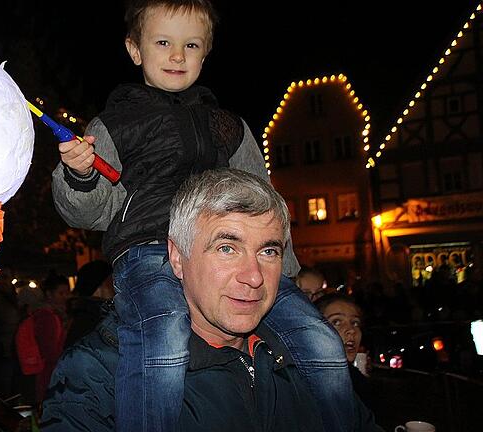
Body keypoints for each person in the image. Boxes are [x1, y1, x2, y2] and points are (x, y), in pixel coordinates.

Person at [51, 1, 352, 430]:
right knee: (165, 329)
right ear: (134, 49)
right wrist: (79, 175)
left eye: (191, 44)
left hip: (231, 253)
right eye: (163, 42)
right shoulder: (114, 125)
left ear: (205, 53)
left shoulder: (229, 126)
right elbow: (90, 212)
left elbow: (266, 204)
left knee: (321, 338)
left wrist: (284, 268)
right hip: (148, 249)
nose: (177, 55)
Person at [42, 169, 379, 431]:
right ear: (177, 257)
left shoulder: (309, 359)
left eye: (268, 251)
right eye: (227, 248)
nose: (254, 275)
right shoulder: (97, 372)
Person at [18, 273, 70, 405]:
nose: (65, 297)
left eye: (67, 293)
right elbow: (49, 352)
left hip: (51, 372)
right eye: (61, 293)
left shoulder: (57, 314)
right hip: (47, 374)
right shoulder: (47, 316)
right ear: (49, 294)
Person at [316, 293, 374, 409]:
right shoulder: (302, 385)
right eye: (337, 322)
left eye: (355, 323)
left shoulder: (356, 382)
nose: (351, 330)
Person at [64, 260, 113, 348]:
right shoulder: (93, 320)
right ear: (99, 286)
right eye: (111, 281)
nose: (116, 286)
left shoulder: (88, 315)